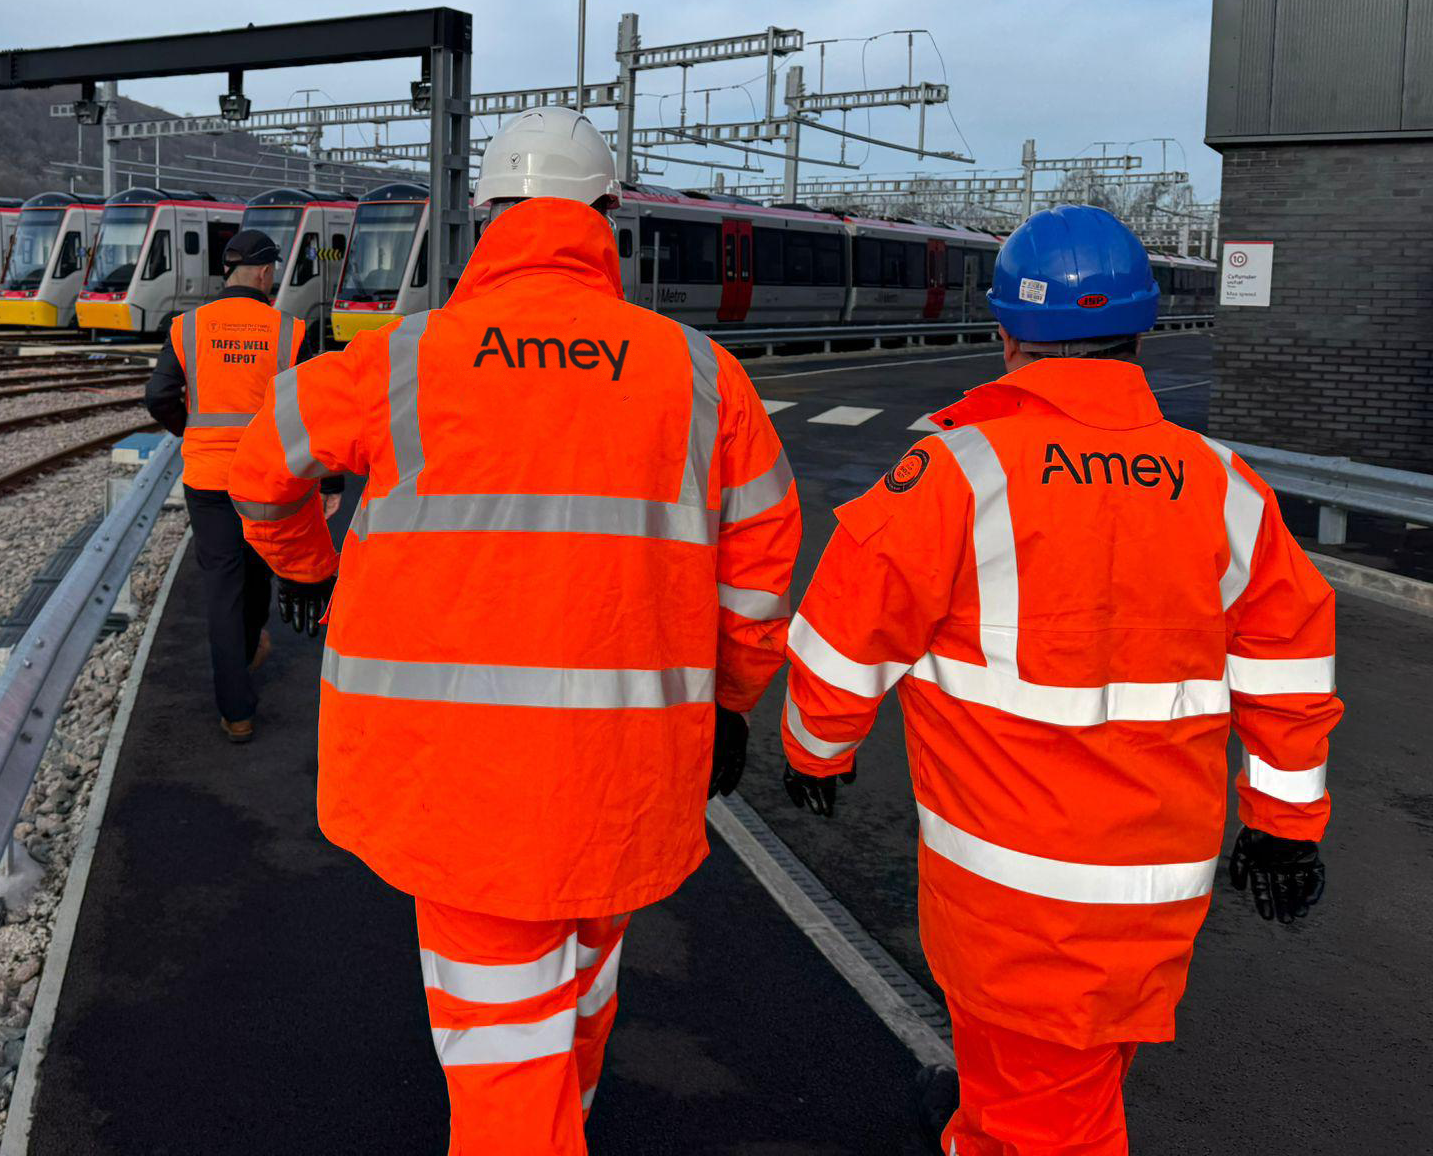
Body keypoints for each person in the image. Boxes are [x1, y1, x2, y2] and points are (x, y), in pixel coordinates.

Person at [226, 108, 801, 1154]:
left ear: (484, 217)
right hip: (623, 769)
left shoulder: (405, 358)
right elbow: (760, 572)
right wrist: (728, 702)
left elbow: (259, 464)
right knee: (581, 982)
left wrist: (310, 565)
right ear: (606, 217)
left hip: (456, 782)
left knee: (503, 1046)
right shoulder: (700, 376)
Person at [777, 205, 1341, 1156]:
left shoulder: (959, 471)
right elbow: (1290, 662)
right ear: (1142, 328)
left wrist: (816, 753)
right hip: (1155, 889)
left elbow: (846, 632)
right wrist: (1285, 830)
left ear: (1005, 332)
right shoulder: (1221, 484)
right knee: (1066, 1078)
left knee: (1055, 1118)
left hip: (1013, 898)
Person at [143, 227, 302, 743]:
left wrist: (189, 429)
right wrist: (329, 482)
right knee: (259, 568)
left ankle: (237, 711)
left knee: (222, 585)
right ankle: (253, 642)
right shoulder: (289, 331)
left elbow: (160, 394)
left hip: (208, 479)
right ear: (263, 272)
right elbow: (310, 410)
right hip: (266, 478)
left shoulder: (187, 327)